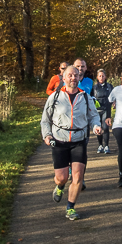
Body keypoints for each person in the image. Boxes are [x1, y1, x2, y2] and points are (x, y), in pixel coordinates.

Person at [41, 65, 101, 221]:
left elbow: (94, 116)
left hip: (79, 141)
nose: (73, 78)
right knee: (61, 177)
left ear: (79, 77)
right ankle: (60, 186)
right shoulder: (54, 97)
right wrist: (47, 135)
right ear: (64, 78)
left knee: (77, 176)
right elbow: (45, 120)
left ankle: (71, 207)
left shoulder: (86, 97)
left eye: (76, 75)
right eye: (70, 75)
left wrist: (96, 126)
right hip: (59, 141)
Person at [91, 68, 114, 154]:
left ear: (105, 77)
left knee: (106, 127)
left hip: (106, 109)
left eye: (103, 76)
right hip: (97, 110)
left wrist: (114, 103)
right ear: (97, 77)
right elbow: (91, 98)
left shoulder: (109, 86)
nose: (101, 77)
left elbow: (113, 97)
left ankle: (106, 146)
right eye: (100, 76)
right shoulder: (94, 87)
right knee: (99, 128)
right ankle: (100, 145)